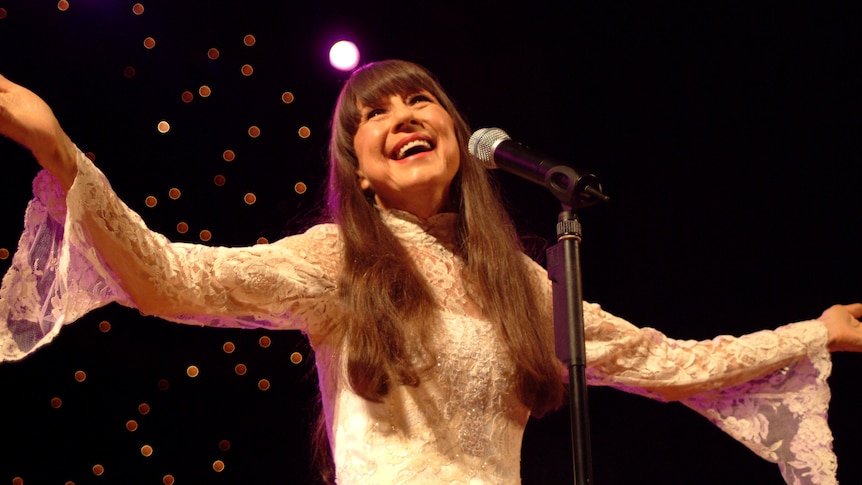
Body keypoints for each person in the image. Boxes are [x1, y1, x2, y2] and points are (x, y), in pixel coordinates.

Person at [0, 59, 860, 484]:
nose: (401, 114)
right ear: (361, 172)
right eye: (373, 114)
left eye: (419, 101)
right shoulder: (338, 261)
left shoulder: (525, 282)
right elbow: (169, 276)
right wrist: (57, 147)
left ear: (457, 139)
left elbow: (668, 361)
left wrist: (816, 330)